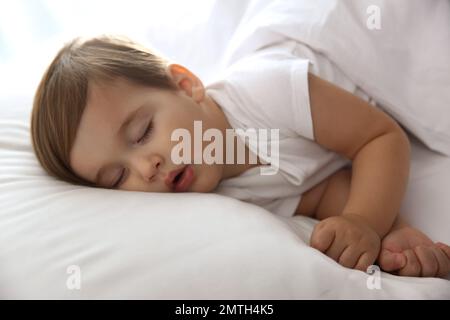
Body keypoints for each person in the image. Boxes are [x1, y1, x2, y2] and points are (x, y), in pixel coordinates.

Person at [31, 35, 450, 278]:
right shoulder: (226, 198)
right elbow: (323, 190)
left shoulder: (266, 92)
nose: (146, 168)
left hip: (339, 38)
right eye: (117, 177)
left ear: (186, 84)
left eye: (143, 132)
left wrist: (365, 222)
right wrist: (393, 234)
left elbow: (377, 137)